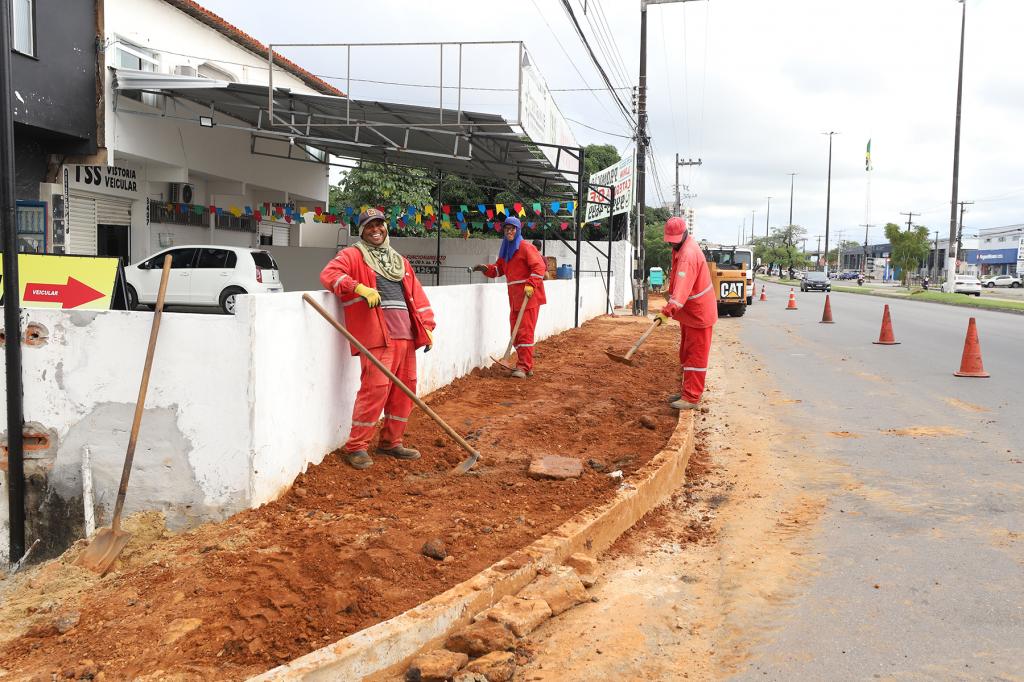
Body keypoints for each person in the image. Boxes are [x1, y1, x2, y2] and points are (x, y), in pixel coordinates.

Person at [319, 208, 437, 470]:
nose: (376, 229)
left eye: (379, 224)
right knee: (375, 391)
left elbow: (417, 296)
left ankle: (391, 442)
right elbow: (330, 275)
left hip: (406, 336)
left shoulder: (400, 262)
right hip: (377, 337)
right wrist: (357, 287)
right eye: (369, 225)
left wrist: (427, 327)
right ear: (361, 230)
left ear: (386, 227)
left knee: (403, 392)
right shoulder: (353, 255)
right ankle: (357, 447)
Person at [473, 216, 547, 378]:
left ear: (518, 230)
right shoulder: (506, 251)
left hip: (529, 297)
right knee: (515, 331)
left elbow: (539, 266)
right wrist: (486, 269)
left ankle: (523, 366)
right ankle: (526, 365)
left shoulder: (526, 247)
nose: (509, 231)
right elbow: (499, 270)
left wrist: (531, 284)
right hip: (515, 299)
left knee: (525, 332)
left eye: (512, 228)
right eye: (507, 229)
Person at [656, 217, 718, 410]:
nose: (672, 242)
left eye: (675, 238)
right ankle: (687, 391)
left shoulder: (687, 255)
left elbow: (682, 289)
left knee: (695, 356)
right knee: (686, 352)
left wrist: (667, 311)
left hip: (698, 314)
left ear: (685, 233)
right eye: (670, 239)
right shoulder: (680, 248)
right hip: (690, 313)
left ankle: (691, 397)